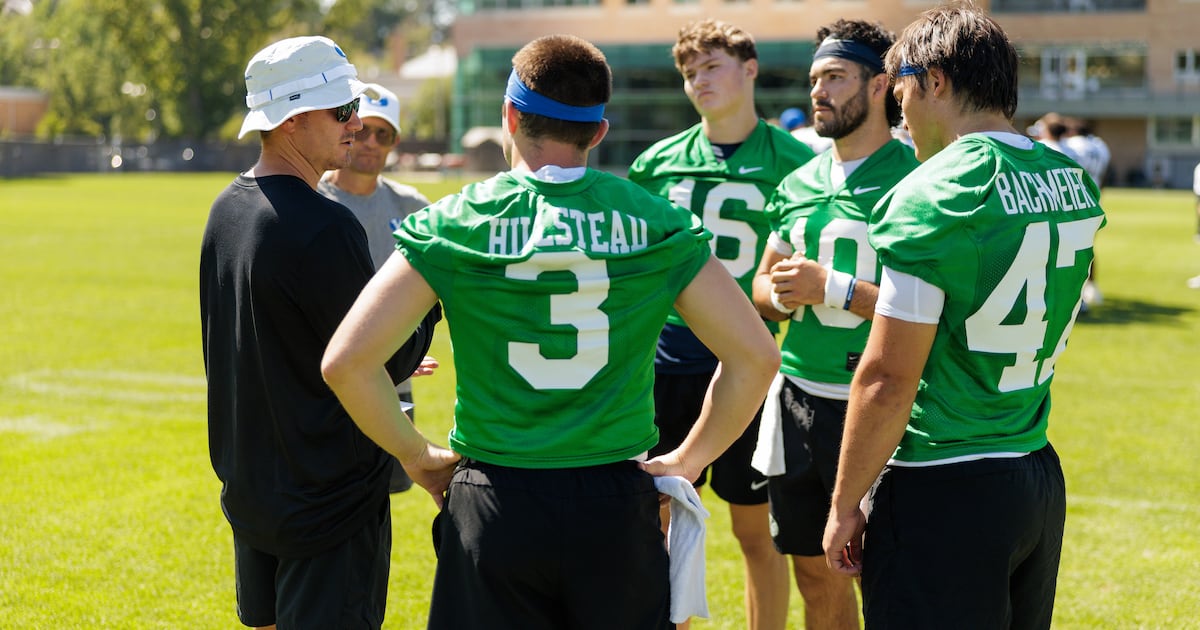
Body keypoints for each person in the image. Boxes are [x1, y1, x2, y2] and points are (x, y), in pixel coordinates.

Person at [321, 34, 781, 629]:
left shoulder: (456, 222)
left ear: (510, 117)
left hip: (496, 498)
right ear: (598, 132)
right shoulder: (656, 222)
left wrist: (417, 455)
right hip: (614, 501)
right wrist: (689, 460)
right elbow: (755, 356)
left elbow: (347, 362)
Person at [821, 5, 1105, 629]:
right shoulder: (1070, 180)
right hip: (1034, 470)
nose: (899, 111)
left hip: (943, 480)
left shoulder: (936, 192)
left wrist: (844, 503)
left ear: (935, 80)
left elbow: (887, 379)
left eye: (900, 89)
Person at [199, 36, 447, 629]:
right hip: (328, 499)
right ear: (291, 119)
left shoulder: (226, 209)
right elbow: (383, 359)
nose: (356, 124)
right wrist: (430, 298)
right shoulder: (324, 225)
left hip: (252, 485)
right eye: (342, 110)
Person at [628, 18, 815, 630]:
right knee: (657, 518)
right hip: (665, 360)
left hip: (748, 363)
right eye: (689, 73)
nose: (698, 81)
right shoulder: (657, 163)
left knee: (756, 530)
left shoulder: (797, 165)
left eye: (711, 66)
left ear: (750, 68)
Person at [749, 19, 918, 630]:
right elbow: (761, 289)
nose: (817, 91)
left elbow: (937, 308)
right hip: (799, 398)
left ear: (879, 86)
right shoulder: (798, 182)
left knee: (891, 581)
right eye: (815, 78)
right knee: (815, 577)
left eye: (836, 77)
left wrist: (834, 289)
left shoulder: (916, 179)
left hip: (881, 403)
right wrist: (782, 293)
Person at [318, 82, 437, 493]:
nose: (370, 142)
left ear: (395, 142)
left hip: (396, 387)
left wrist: (405, 350)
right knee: (332, 499)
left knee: (383, 500)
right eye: (364, 130)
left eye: (382, 134)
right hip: (327, 388)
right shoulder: (312, 200)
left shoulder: (414, 208)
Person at [1065, 116, 1111, 309]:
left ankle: (1078, 296)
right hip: (1093, 198)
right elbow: (1105, 173)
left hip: (1073, 201)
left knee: (1067, 251)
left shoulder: (1070, 146)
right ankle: (1091, 288)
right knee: (1087, 246)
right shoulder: (1100, 146)